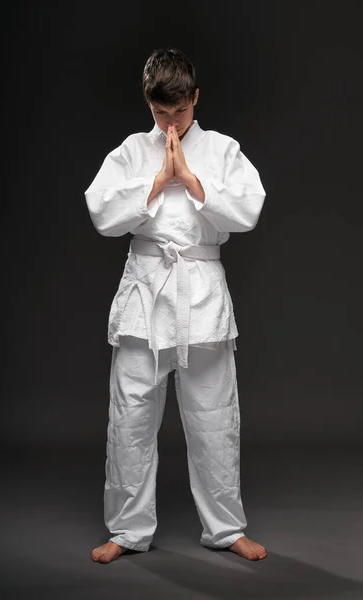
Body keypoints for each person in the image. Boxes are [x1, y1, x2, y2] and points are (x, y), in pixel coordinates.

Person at [84, 48, 267, 564]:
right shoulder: (131, 152)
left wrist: (190, 180)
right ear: (149, 104)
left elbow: (248, 210)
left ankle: (227, 528)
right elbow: (101, 212)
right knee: (131, 416)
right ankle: (127, 530)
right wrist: (157, 181)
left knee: (214, 414)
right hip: (146, 290)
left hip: (201, 291)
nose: (171, 123)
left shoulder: (222, 150)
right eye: (161, 114)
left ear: (195, 99)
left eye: (180, 112)